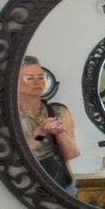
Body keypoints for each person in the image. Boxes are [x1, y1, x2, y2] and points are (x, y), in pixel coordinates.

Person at [18, 56, 80, 194]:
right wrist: (40, 134)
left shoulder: (58, 111)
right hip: (25, 187)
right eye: (30, 78)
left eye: (40, 77)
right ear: (15, 82)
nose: (38, 82)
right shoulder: (10, 115)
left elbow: (72, 154)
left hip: (62, 184)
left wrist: (60, 133)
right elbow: (17, 155)